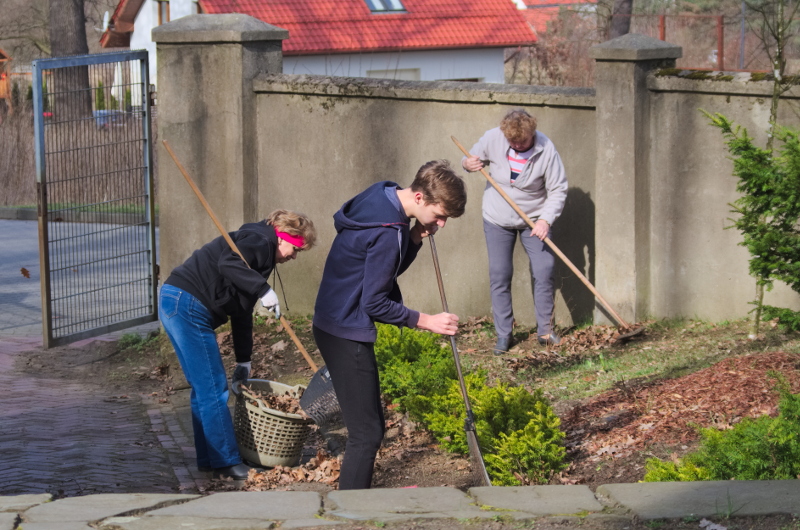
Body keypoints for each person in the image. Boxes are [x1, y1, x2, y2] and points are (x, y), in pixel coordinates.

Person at [313, 160, 467, 490]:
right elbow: (374, 302)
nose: (442, 223)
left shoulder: (381, 198)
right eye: (441, 215)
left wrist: (413, 238)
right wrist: (427, 321)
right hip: (345, 330)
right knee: (366, 435)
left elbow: (382, 272)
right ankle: (351, 515)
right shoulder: (387, 230)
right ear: (421, 197)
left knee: (369, 427)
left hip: (332, 320)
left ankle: (357, 505)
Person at [159, 210, 316, 480]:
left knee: (204, 389)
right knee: (213, 388)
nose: (293, 256)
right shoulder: (259, 240)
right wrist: (263, 289)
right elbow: (228, 262)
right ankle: (227, 463)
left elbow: (242, 311)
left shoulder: (260, 251)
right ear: (283, 237)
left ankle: (210, 460)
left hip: (175, 299)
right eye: (295, 248)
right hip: (187, 304)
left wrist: (244, 361)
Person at [462, 109, 568, 354]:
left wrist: (545, 220)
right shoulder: (493, 137)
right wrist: (468, 164)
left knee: (544, 269)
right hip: (497, 217)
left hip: (534, 219)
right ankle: (503, 334)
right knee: (500, 273)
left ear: (532, 134)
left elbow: (558, 189)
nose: (517, 144)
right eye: (512, 141)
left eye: (522, 141)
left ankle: (545, 330)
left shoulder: (546, 148)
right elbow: (470, 158)